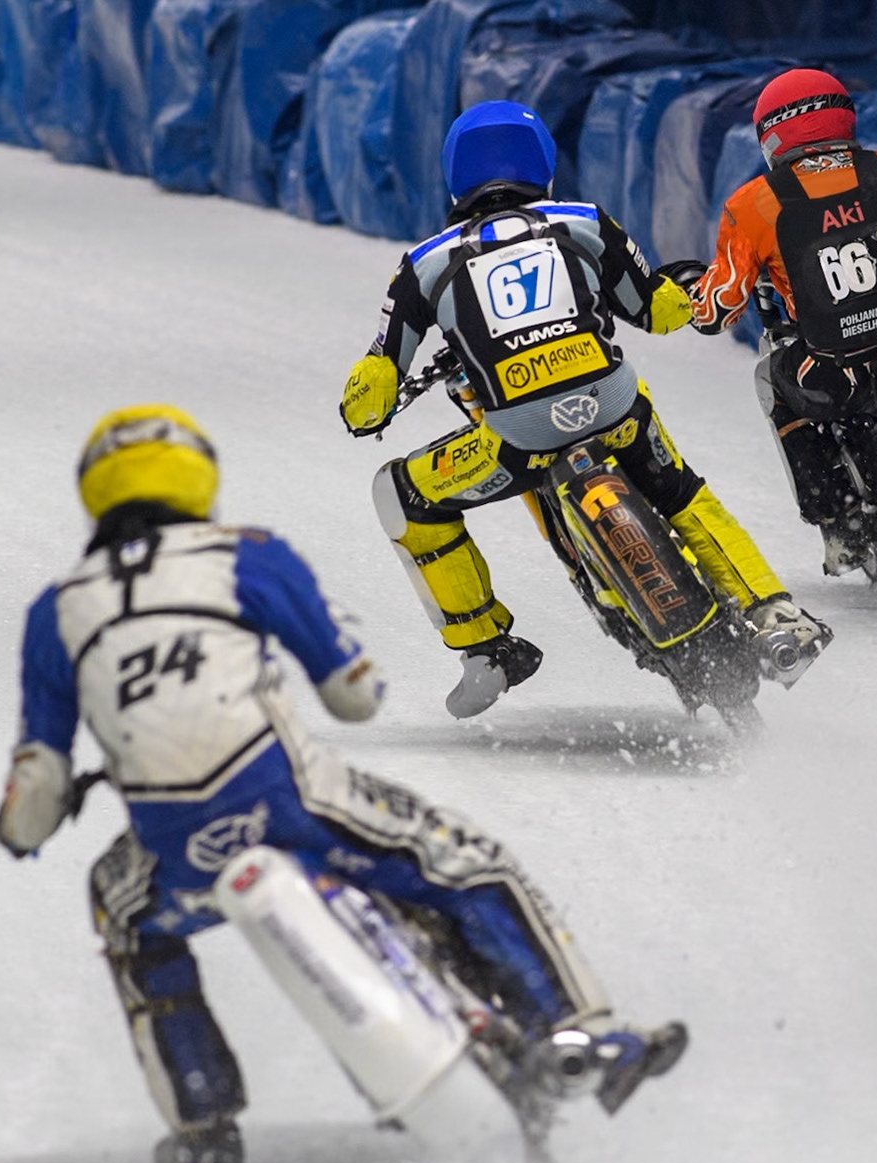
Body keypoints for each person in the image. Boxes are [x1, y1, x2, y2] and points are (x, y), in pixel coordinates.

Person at [0, 404, 688, 1163]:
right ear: (199, 480)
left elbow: (38, 793)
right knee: (468, 863)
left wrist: (19, 831)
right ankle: (580, 1032)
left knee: (127, 925)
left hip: (175, 855)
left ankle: (203, 1124)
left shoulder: (54, 612)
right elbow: (354, 694)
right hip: (296, 809)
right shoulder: (248, 556)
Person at [339, 99, 828, 718]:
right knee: (683, 494)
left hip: (515, 441)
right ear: (544, 163)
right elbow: (657, 311)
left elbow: (374, 385)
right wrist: (680, 288)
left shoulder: (424, 263)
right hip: (614, 411)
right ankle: (773, 613)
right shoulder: (585, 222)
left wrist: (364, 408)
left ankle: (485, 651)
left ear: (454, 175)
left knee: (400, 493)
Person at [686, 69, 877, 576]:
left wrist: (690, 300)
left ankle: (840, 519)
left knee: (772, 380)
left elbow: (719, 308)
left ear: (772, 133)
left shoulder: (751, 205)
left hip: (834, 370)